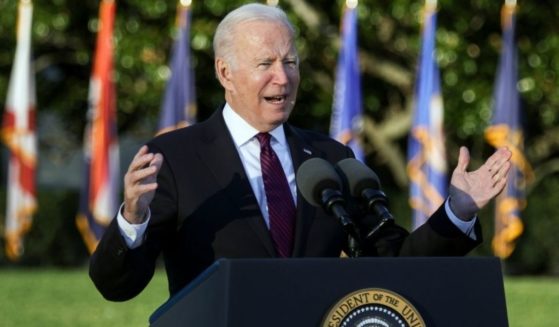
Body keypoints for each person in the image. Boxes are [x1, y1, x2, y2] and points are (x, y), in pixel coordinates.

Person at [89, 3, 512, 301]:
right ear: (225, 72)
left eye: (290, 62)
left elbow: (395, 262)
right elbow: (116, 286)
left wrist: (457, 211)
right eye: (265, 64)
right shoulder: (175, 159)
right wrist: (132, 219)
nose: (283, 77)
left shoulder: (330, 157)